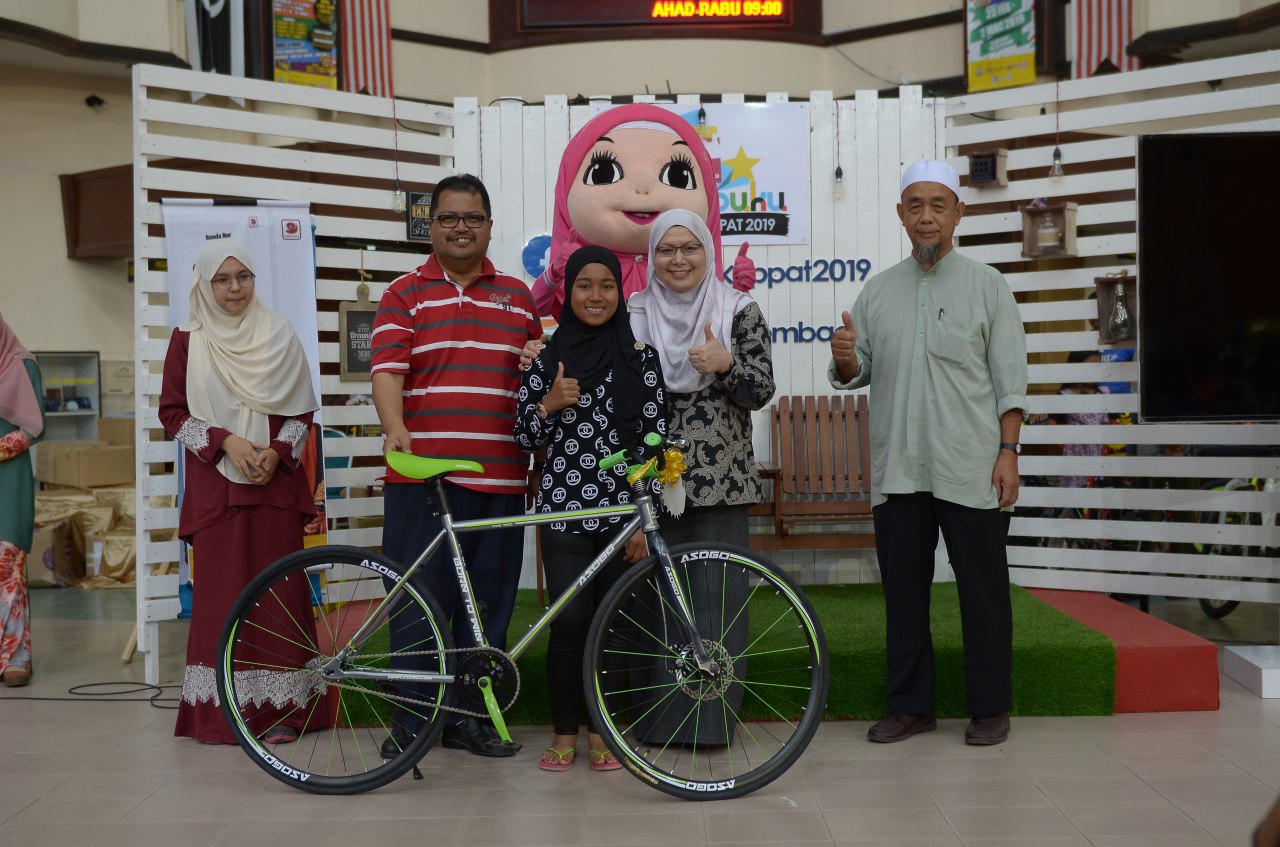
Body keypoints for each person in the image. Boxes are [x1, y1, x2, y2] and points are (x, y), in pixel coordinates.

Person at [828, 160, 1028, 746]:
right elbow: (857, 370)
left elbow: (1011, 381)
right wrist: (845, 357)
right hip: (899, 469)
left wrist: (1008, 452)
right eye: (915, 205)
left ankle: (990, 708)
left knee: (984, 595)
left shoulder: (988, 286)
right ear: (900, 214)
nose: (926, 217)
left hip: (971, 466)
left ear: (958, 213)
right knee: (904, 596)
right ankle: (911, 707)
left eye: (938, 205)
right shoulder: (877, 291)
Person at [371, 173, 541, 758]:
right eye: (448, 218)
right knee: (417, 602)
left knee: (486, 605)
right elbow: (387, 371)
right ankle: (412, 724)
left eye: (472, 218)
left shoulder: (519, 298)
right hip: (422, 479)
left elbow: (535, 383)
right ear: (432, 226)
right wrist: (394, 428)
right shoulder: (403, 294)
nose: (460, 228)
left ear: (490, 226)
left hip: (501, 478)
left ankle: (469, 720)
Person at [160, 239, 323, 744]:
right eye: (222, 280)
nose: (235, 288)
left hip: (274, 486)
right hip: (218, 491)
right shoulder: (187, 341)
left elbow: (300, 410)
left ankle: (286, 711)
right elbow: (172, 413)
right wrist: (225, 443)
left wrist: (278, 451)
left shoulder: (280, 333)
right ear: (205, 285)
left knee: (280, 597)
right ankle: (221, 714)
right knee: (222, 598)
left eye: (243, 277)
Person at [514, 245, 667, 772]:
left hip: (623, 514)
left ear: (620, 293)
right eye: (584, 285)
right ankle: (564, 731)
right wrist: (549, 404)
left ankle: (604, 732)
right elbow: (522, 436)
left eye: (606, 285)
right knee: (570, 619)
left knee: (614, 623)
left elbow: (653, 440)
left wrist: (643, 518)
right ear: (568, 292)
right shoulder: (547, 358)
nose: (596, 295)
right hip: (563, 510)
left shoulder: (641, 358)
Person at [627, 208, 776, 744]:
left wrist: (725, 364)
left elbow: (760, 390)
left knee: (716, 606)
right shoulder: (635, 312)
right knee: (654, 606)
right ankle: (654, 724)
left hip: (721, 484)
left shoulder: (737, 309)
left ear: (708, 252)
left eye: (689, 248)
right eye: (666, 249)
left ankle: (709, 728)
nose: (678, 259)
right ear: (651, 256)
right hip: (650, 484)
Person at [532, 103, 755, 318]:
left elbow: (712, 318)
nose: (642, 188)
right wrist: (554, 274)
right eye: (604, 172)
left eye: (678, 175)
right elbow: (536, 309)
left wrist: (739, 294)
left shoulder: (682, 266)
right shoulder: (583, 268)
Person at [0, 311, 44, 688]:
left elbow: (33, 428)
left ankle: (16, 656)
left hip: (8, 477)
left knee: (7, 561)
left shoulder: (22, 366)